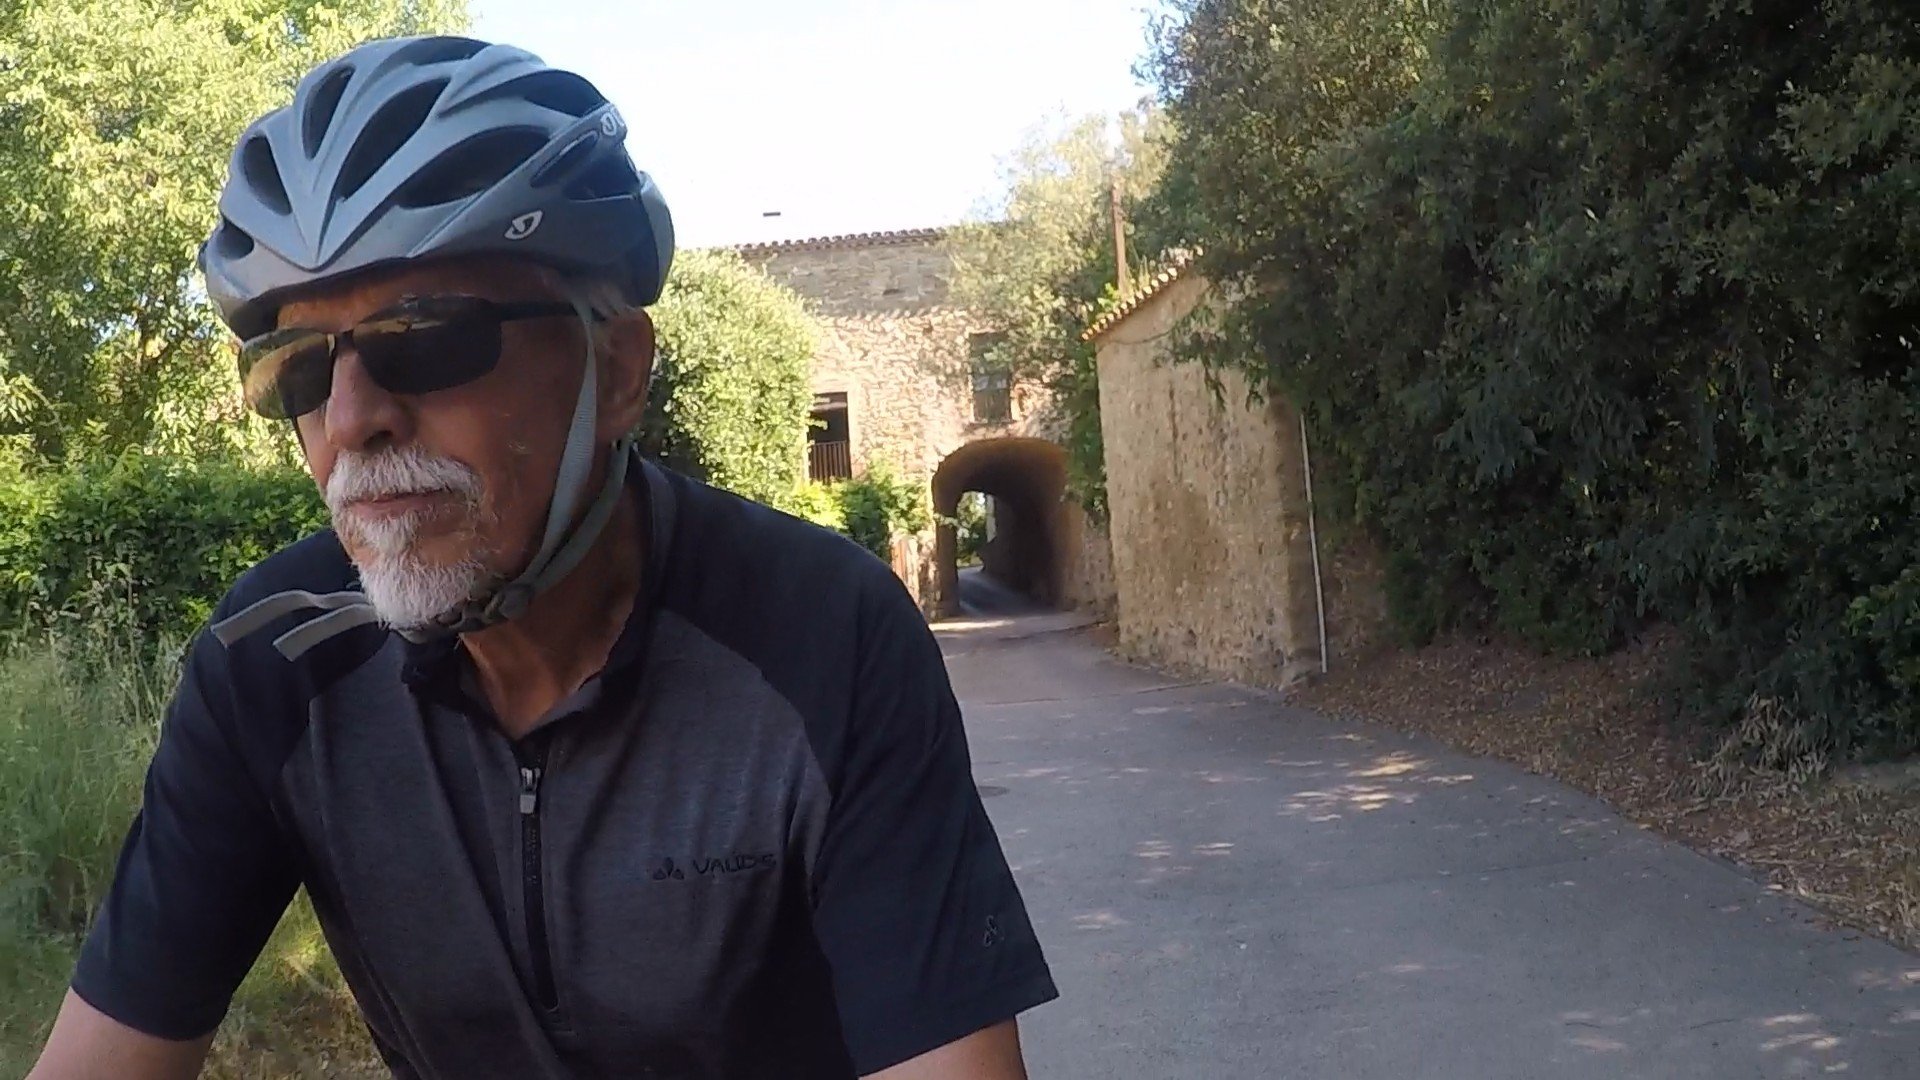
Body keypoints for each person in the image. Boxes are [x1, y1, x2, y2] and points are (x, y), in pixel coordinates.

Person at [28, 34, 1056, 1080]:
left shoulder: (826, 632)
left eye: (425, 337)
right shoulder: (273, 657)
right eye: (296, 368)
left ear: (617, 372)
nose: (349, 419)